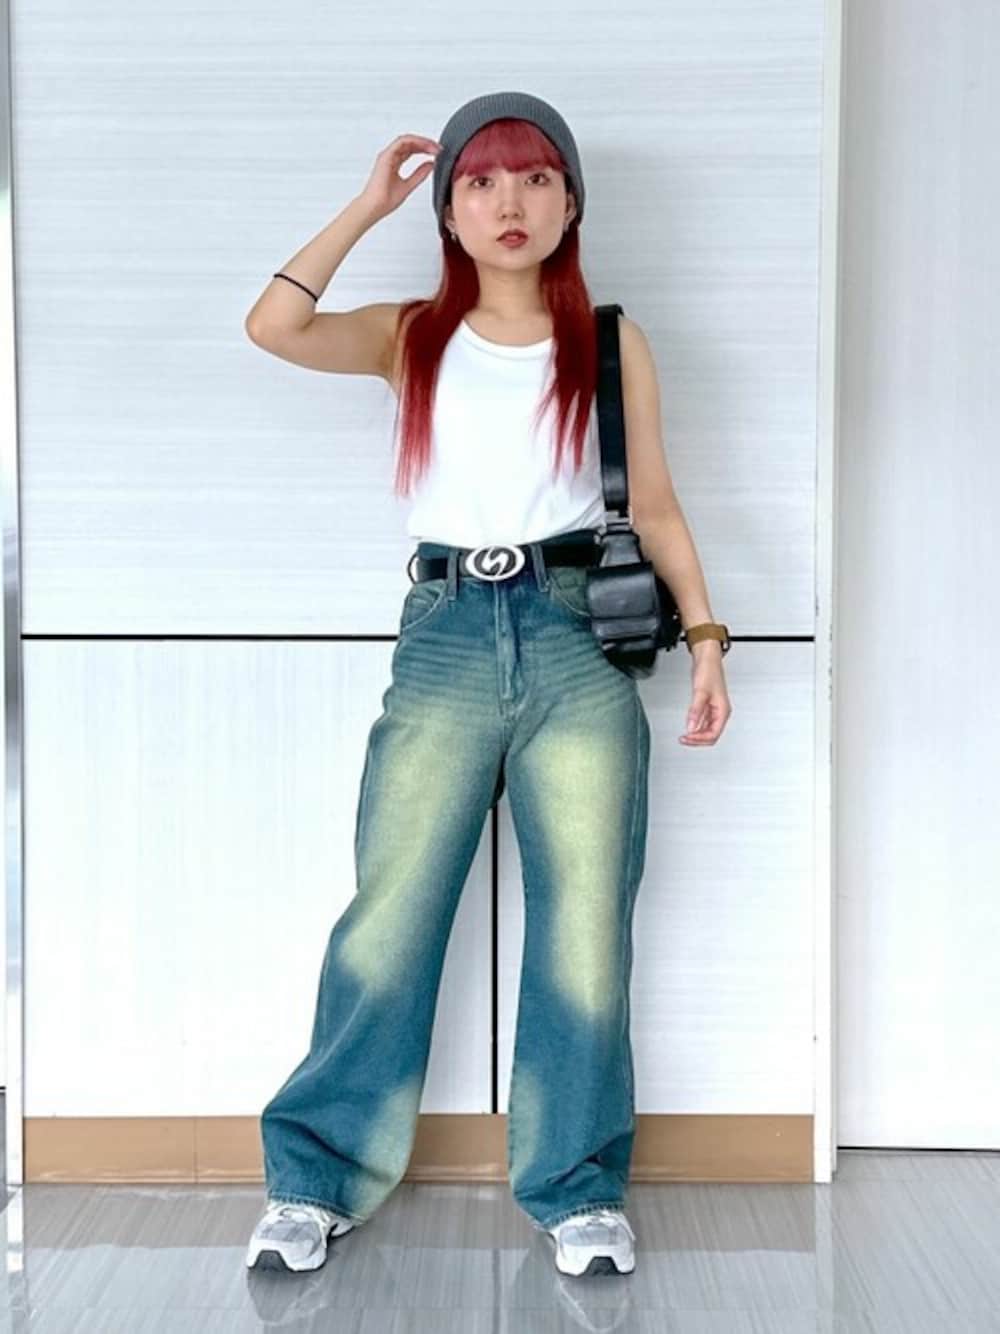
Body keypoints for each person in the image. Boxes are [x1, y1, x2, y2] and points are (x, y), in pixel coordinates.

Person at [242, 91, 732, 1279]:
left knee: (584, 925)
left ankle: (577, 1189)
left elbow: (656, 504)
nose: (510, 201)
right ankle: (313, 1179)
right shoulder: (411, 335)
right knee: (391, 912)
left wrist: (709, 637)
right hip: (448, 633)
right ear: (451, 211)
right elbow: (274, 325)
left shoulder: (608, 341)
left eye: (535, 178)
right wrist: (369, 204)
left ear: (569, 204)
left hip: (575, 635)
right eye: (481, 181)